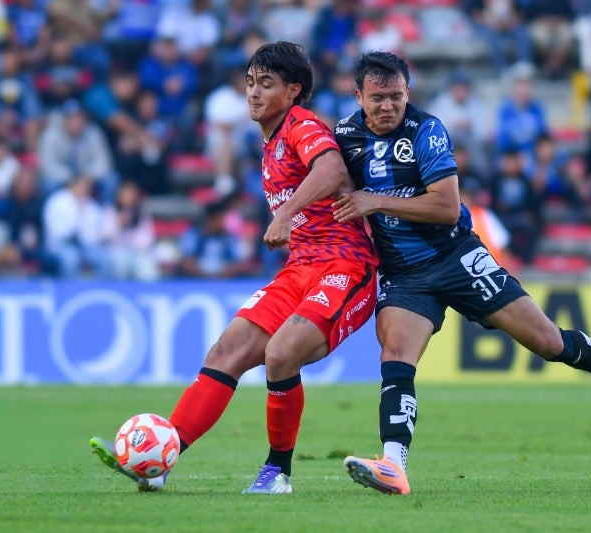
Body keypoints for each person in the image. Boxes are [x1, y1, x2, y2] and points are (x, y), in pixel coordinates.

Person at [332, 51, 591, 496]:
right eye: (378, 98)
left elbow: (445, 207)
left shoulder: (426, 130)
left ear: (408, 92)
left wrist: (375, 201)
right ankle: (393, 464)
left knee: (548, 342)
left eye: (396, 96)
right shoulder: (344, 136)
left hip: (456, 256)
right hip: (404, 273)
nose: (388, 106)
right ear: (358, 96)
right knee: (395, 354)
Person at [90, 41, 379, 494]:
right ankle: (161, 461)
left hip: (344, 265)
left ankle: (277, 473)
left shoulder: (301, 125)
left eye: (267, 84)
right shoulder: (269, 141)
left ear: (293, 90)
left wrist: (285, 214)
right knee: (225, 353)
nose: (254, 92)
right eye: (249, 82)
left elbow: (332, 171)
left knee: (280, 355)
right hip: (300, 269)